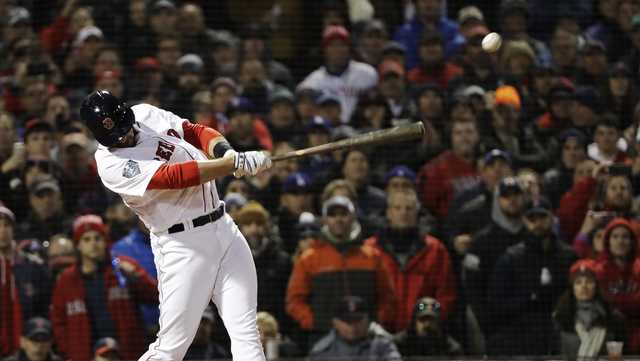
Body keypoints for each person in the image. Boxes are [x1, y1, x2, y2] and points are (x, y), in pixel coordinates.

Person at [80, 90, 272, 361]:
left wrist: (227, 153)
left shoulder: (146, 114)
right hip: (183, 246)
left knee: (245, 331)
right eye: (115, 137)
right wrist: (230, 165)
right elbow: (174, 177)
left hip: (224, 228)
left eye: (123, 130)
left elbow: (193, 131)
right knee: (171, 348)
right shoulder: (110, 164)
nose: (122, 138)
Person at [50, 214, 158, 361]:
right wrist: (69, 353)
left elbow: (154, 296)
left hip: (127, 354)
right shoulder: (66, 281)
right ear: (78, 245)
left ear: (105, 241)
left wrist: (136, 276)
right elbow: (58, 322)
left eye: (98, 238)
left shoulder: (122, 268)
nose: (93, 244)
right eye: (86, 239)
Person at [286, 196, 395, 340]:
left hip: (367, 339)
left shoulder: (372, 256)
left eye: (343, 214)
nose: (338, 219)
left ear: (353, 217)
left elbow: (388, 297)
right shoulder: (309, 258)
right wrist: (314, 323)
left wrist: (374, 322)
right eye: (333, 215)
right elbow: (294, 301)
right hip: (323, 338)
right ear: (325, 219)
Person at [486, 198, 576, 355]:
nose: (537, 223)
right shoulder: (511, 258)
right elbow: (495, 304)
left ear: (552, 218)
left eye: (542, 217)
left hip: (561, 332)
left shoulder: (568, 256)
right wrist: (529, 298)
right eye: (532, 218)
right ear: (523, 220)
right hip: (519, 336)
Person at [364, 190, 456, 332]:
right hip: (379, 335)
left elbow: (445, 297)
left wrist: (427, 317)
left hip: (423, 337)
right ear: (388, 212)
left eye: (409, 208)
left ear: (417, 213)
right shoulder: (369, 250)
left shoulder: (435, 250)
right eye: (397, 208)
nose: (403, 213)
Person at [553, 259, 626, 361]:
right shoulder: (560, 318)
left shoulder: (613, 318)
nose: (584, 286)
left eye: (589, 281)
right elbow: (553, 355)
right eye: (578, 282)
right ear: (572, 288)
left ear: (597, 286)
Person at [594, 218, 640, 353]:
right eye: (615, 237)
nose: (620, 241)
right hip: (609, 332)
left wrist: (617, 303)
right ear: (608, 241)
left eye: (625, 237)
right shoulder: (598, 271)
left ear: (633, 242)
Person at [308, 295, 401, 361]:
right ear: (335, 322)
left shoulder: (383, 347)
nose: (353, 326)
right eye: (347, 321)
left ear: (367, 320)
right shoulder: (321, 351)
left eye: (358, 320)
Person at [394, 297, 462, 357]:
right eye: (422, 319)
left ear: (439, 322)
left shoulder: (450, 348)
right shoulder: (399, 344)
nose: (427, 324)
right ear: (414, 322)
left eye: (431, 320)